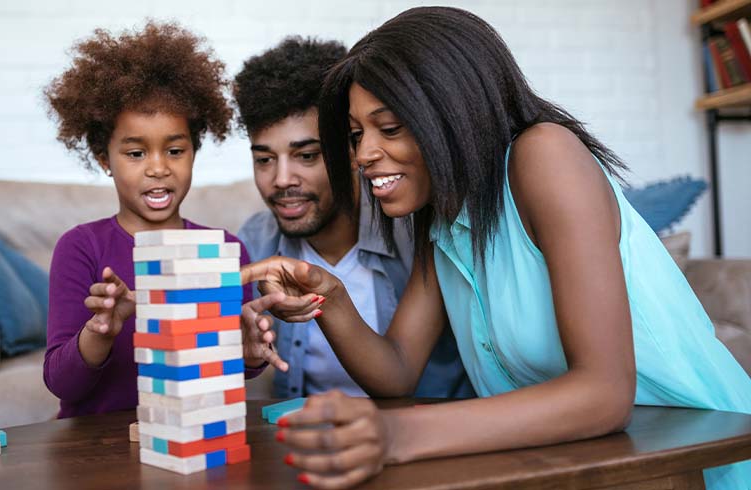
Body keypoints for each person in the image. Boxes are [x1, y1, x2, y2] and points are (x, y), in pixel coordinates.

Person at [241, 7, 751, 489]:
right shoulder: (439, 215)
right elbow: (395, 371)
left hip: (699, 464)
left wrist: (397, 436)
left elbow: (604, 394)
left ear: (451, 112)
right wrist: (328, 295)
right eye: (356, 135)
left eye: (389, 128)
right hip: (585, 463)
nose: (364, 155)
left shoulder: (544, 156)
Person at [233, 37, 473, 400]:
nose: (282, 179)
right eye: (265, 159)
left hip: (421, 431)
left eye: (307, 156)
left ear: (352, 150)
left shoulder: (418, 231)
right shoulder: (254, 242)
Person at [42, 22, 252, 418]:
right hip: (98, 450)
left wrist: (250, 349)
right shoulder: (81, 248)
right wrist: (100, 330)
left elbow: (233, 373)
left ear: (194, 151)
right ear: (105, 159)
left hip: (191, 439)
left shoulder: (226, 250)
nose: (158, 168)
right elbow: (62, 383)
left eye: (174, 150)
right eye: (136, 154)